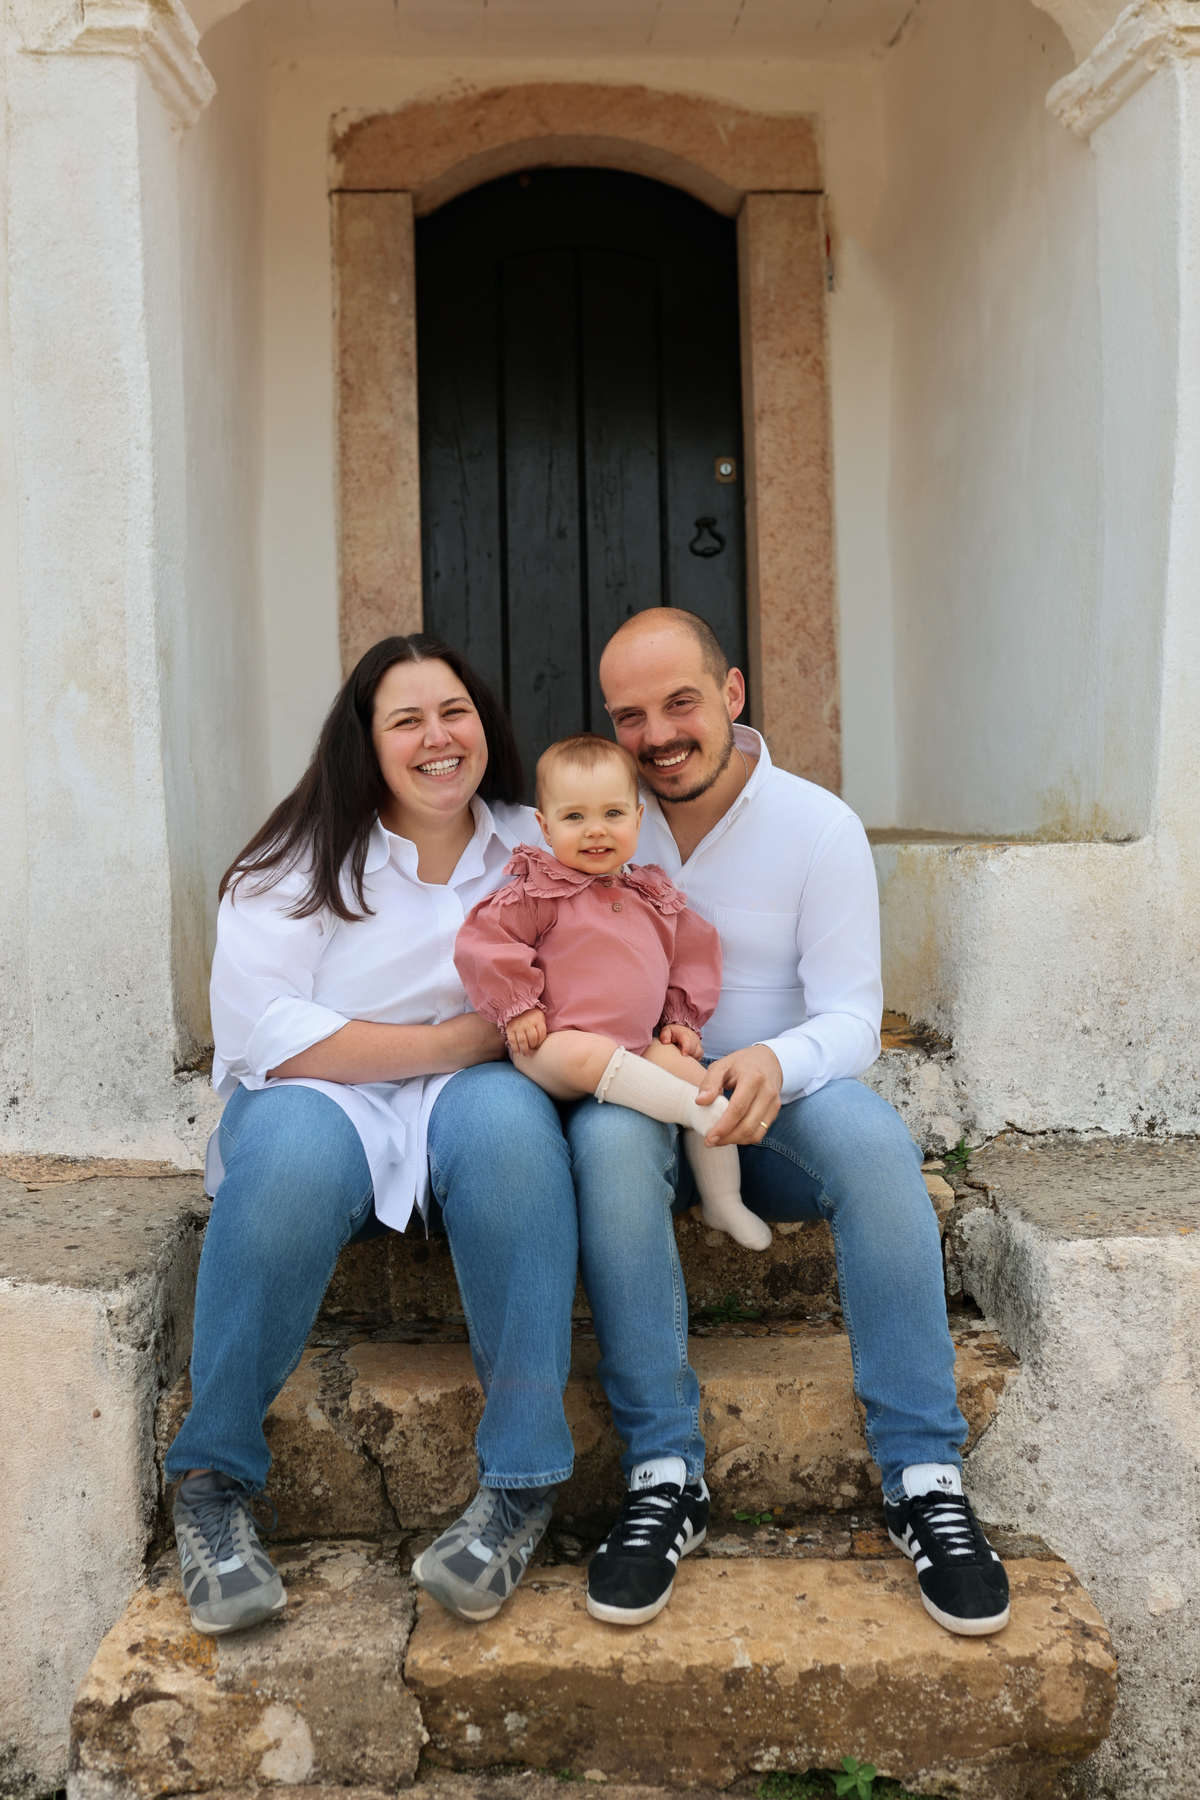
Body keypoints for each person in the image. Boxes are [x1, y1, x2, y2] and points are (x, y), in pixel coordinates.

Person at [166, 632, 709, 1637]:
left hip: (481, 1088)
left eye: (454, 711)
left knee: (511, 1134)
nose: (437, 738)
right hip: (331, 1090)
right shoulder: (295, 858)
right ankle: (211, 1482)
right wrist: (453, 1040)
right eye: (406, 720)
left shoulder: (544, 838)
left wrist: (667, 1024)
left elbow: (640, 943)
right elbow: (265, 1034)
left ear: (484, 723)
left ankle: (520, 1488)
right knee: (286, 1159)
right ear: (365, 741)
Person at [595, 607, 1010, 1639]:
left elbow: (854, 1017)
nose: (657, 736)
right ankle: (662, 1474)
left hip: (769, 1116)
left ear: (732, 693)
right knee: (605, 1145)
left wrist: (775, 1061)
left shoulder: (818, 826)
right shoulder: (591, 817)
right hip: (635, 1103)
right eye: (630, 716)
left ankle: (925, 1479)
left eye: (680, 704)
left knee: (873, 1144)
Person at [453, 732, 771, 1252]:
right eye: (575, 817)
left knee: (701, 1080)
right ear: (545, 826)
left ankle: (723, 1198)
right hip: (554, 1045)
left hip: (638, 1044)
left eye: (613, 814)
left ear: (638, 819)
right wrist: (517, 1005)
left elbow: (691, 954)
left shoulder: (651, 894)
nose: (595, 830)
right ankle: (687, 1111)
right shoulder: (539, 891)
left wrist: (680, 1018)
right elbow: (486, 942)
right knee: (587, 1054)